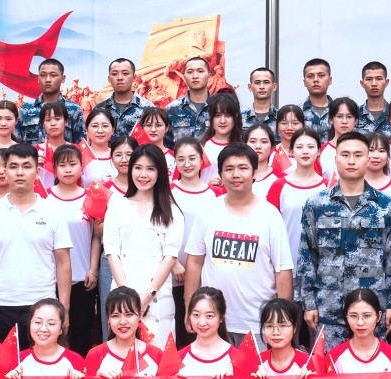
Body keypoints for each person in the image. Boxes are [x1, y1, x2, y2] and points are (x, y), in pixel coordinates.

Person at [296, 132, 391, 346]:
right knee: (329, 365)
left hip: (372, 309)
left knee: (370, 364)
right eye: (345, 155)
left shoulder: (385, 205)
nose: (351, 161)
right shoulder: (316, 204)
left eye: (358, 155)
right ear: (335, 159)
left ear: (368, 159)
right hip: (328, 308)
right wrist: (308, 303)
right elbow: (307, 256)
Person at [184, 143, 294, 344]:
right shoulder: (207, 211)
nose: (236, 174)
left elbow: (283, 270)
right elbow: (194, 262)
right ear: (220, 174)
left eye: (243, 168)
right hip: (213, 322)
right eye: (229, 169)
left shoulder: (270, 215)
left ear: (255, 173)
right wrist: (190, 309)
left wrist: (282, 320)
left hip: (258, 324)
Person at [0, 143, 73, 346]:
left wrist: (64, 308)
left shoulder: (54, 212)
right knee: (1, 364)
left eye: (26, 166)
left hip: (43, 305)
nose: (20, 172)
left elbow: (63, 263)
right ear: (5, 172)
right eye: (13, 166)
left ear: (37, 172)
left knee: (41, 363)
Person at [104, 144, 185, 344]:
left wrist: (148, 295)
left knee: (159, 355)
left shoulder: (171, 211)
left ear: (160, 172)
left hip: (158, 299)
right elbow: (112, 252)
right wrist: (127, 297)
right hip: (122, 296)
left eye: (150, 169)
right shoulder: (117, 205)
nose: (143, 174)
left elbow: (170, 257)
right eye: (138, 168)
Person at [40, 144, 101, 357]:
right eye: (62, 165)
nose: (68, 170)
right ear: (54, 169)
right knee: (50, 333)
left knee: (81, 333)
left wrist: (93, 269)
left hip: (83, 278)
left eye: (72, 164)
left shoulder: (90, 196)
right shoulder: (44, 199)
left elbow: (95, 236)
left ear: (81, 167)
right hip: (51, 279)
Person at [171, 138, 219, 348]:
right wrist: (173, 263)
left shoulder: (214, 194)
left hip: (203, 273)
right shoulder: (167, 191)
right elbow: (158, 231)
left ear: (202, 160)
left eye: (192, 158)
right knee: (177, 329)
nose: (187, 164)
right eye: (181, 159)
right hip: (171, 273)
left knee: (200, 326)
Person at [265, 128, 327, 279]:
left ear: (319, 151)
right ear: (292, 152)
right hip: (286, 266)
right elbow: (268, 226)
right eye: (299, 147)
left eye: (310, 147)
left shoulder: (328, 186)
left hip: (322, 267)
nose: (305, 151)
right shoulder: (279, 186)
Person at [83, 287, 163, 378]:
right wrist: (98, 378)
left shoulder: (156, 354)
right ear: (108, 319)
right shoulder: (95, 355)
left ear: (140, 315)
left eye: (129, 314)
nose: (122, 322)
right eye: (115, 316)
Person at [328, 289, 391, 373]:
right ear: (346, 316)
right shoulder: (333, 357)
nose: (360, 323)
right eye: (353, 316)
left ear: (379, 316)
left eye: (367, 316)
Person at [7, 298, 86, 379]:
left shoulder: (75, 361)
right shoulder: (17, 360)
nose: (43, 329)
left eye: (51, 324)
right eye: (38, 322)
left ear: (61, 328)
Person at [15, 58, 86, 145]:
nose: (48, 79)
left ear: (63, 78)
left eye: (53, 75)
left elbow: (80, 145)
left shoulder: (74, 110)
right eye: (43, 75)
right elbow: (17, 144)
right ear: (38, 79)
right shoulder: (25, 110)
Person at [176, 286, 242, 378]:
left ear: (221, 317)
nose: (202, 323)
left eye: (209, 316)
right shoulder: (178, 358)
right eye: (196, 315)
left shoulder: (237, 359)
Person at [98, 58, 155, 138]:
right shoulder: (99, 109)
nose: (120, 78)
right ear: (109, 79)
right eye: (114, 74)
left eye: (125, 73)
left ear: (134, 78)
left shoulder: (148, 108)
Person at [254, 298, 310, 377]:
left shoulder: (307, 363)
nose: (276, 332)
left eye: (283, 326)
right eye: (269, 326)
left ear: (294, 328)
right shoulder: (257, 362)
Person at [166, 55, 213, 141]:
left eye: (200, 71)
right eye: (190, 72)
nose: (195, 76)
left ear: (209, 76)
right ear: (184, 76)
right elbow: (166, 145)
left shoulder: (220, 107)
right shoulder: (172, 109)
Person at [200, 92, 245, 181]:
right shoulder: (202, 146)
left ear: (235, 116)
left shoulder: (244, 146)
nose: (222, 121)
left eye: (228, 115)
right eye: (217, 116)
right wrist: (207, 186)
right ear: (211, 117)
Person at [35, 100, 73, 191]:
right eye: (48, 120)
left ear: (66, 121)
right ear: (43, 124)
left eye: (57, 119)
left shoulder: (76, 149)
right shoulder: (34, 151)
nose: (53, 123)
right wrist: (32, 165)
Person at [81, 108, 118, 187]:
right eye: (95, 126)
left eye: (105, 126)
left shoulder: (120, 155)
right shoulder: (79, 155)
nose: (100, 130)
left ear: (113, 130)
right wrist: (99, 188)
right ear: (86, 129)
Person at [300, 58, 334, 142]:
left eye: (321, 75)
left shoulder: (339, 111)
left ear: (330, 80)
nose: (315, 80)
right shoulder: (297, 112)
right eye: (310, 76)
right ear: (304, 82)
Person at [357, 61, 391, 134]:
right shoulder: (355, 115)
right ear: (362, 83)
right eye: (369, 79)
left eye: (379, 79)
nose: (374, 84)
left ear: (386, 82)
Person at [242, 67, 279, 136]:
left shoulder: (281, 118)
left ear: (274, 87)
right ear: (250, 87)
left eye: (266, 82)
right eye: (257, 83)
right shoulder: (240, 118)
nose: (262, 87)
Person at [245, 123, 280, 196]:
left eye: (264, 142)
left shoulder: (281, 179)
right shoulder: (234, 176)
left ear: (272, 146)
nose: (258, 146)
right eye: (252, 141)